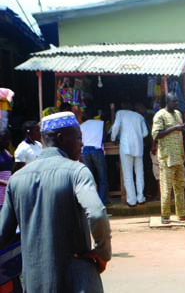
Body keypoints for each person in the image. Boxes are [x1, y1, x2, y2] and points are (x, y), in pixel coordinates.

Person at [0, 112, 111, 292]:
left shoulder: (16, 179)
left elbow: (3, 235)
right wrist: (102, 253)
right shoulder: (77, 172)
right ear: (61, 139)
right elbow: (97, 213)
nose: (82, 144)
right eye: (79, 138)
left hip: (36, 283)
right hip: (79, 281)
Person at [153, 94, 185, 224]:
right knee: (166, 187)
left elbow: (180, 131)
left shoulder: (178, 114)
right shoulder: (160, 115)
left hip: (179, 156)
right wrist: (174, 128)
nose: (176, 102)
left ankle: (181, 212)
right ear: (167, 101)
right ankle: (165, 215)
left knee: (180, 185)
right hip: (167, 157)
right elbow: (156, 134)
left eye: (177, 100)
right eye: (174, 101)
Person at [111, 100, 149, 207]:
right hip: (139, 148)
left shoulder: (120, 113)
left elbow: (115, 127)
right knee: (139, 173)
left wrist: (113, 138)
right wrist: (137, 137)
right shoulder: (139, 117)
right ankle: (140, 198)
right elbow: (145, 133)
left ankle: (131, 200)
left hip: (126, 147)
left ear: (122, 105)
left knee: (128, 175)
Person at [80, 107, 110, 206]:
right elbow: (105, 137)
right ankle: (102, 201)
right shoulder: (100, 123)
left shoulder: (81, 126)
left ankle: (91, 202)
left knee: (89, 178)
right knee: (102, 176)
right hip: (96, 149)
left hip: (85, 150)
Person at [0, 129, 13, 209]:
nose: (7, 141)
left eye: (8, 139)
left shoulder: (7, 153)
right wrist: (6, 182)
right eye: (4, 139)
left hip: (6, 192)